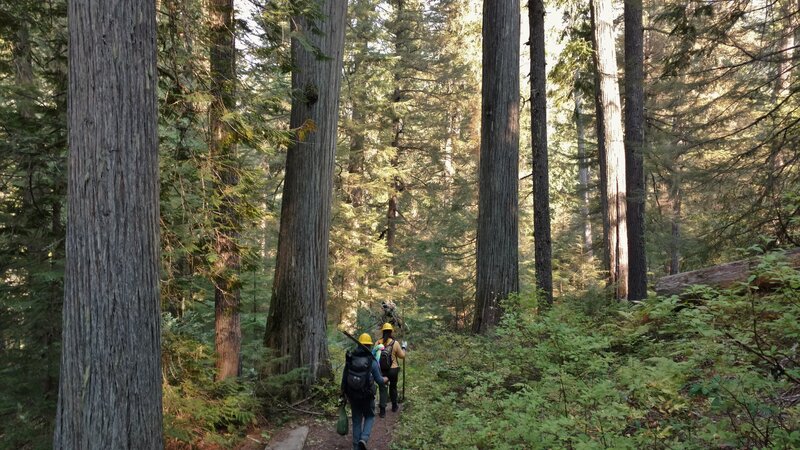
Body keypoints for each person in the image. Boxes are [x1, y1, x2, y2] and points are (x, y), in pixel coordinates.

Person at [342, 333, 387, 450]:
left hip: (352, 394)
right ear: (369, 345)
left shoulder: (350, 358)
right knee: (370, 416)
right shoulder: (371, 361)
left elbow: (344, 376)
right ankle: (364, 438)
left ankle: (356, 447)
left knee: (356, 420)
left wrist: (343, 393)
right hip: (367, 395)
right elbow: (380, 381)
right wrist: (386, 379)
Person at [376, 322, 406, 417]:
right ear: (391, 332)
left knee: (383, 389)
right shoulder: (395, 343)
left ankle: (382, 411)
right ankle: (394, 406)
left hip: (382, 370)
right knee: (393, 388)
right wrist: (404, 347)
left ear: (383, 332)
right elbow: (402, 356)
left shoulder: (378, 342)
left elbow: (374, 356)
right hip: (393, 370)